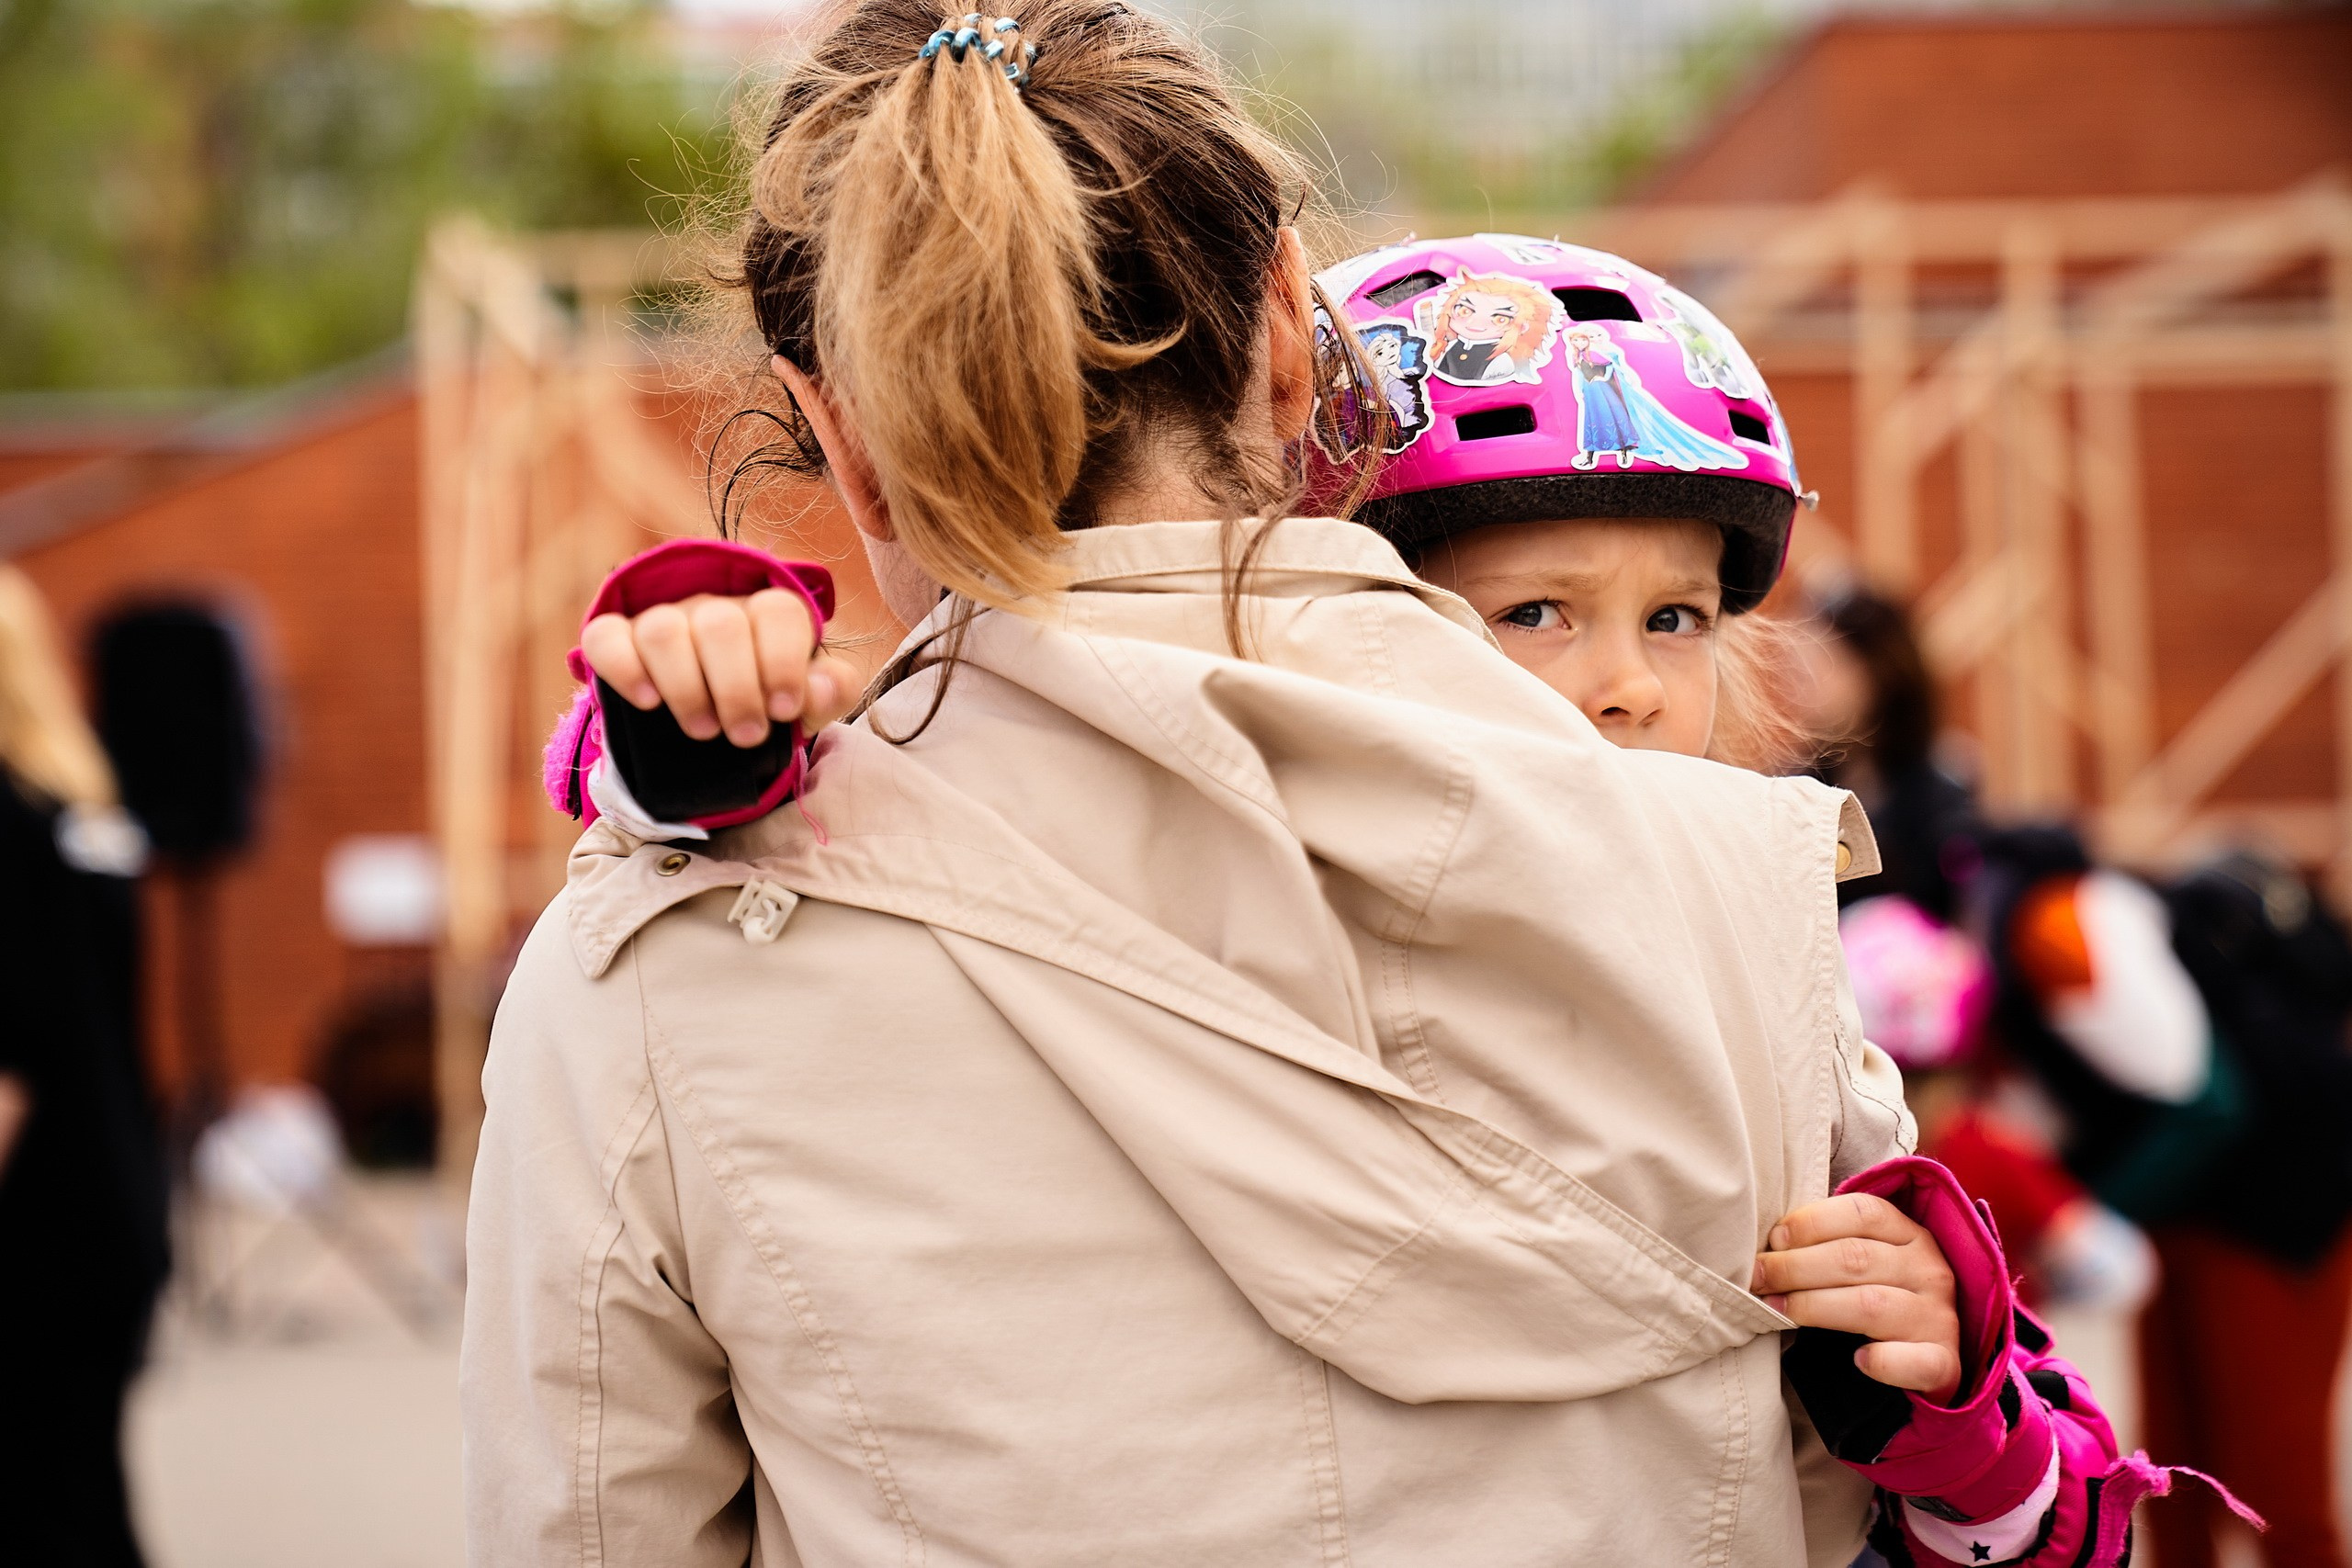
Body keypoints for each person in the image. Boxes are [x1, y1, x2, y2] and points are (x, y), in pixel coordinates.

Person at [470, 7, 1922, 1558]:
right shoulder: (1738, 892)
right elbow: (1838, 1484)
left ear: (845, 431)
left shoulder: (659, 968)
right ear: (1294, 332)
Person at [0, 565, 169, 1568]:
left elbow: (11, 1053)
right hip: (116, 1197)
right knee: (86, 1492)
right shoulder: (91, 815)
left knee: (39, 1503)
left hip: (39, 1225)